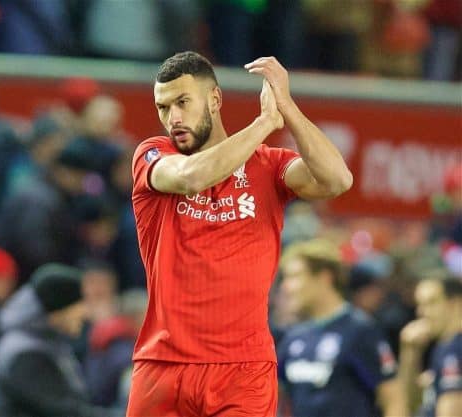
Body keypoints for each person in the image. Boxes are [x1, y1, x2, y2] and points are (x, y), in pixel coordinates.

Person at [128, 51, 353, 416]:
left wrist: (287, 109)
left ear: (215, 99)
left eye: (183, 102)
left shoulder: (269, 166)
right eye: (163, 107)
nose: (174, 118)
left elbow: (337, 179)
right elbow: (192, 177)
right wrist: (265, 122)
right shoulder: (153, 154)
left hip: (243, 371)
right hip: (163, 367)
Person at [277, 239, 406, 417]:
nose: (286, 286)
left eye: (295, 276)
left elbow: (393, 401)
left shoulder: (360, 331)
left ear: (324, 277)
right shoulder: (295, 337)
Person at [0, 263, 121, 417]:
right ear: (58, 308)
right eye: (80, 303)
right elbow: (64, 412)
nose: (85, 312)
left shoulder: (44, 340)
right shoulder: (25, 353)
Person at [398, 276, 462, 417]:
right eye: (419, 304)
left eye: (431, 303)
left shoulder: (454, 351)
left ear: (455, 303)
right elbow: (410, 402)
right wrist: (410, 352)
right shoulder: (443, 347)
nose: (421, 312)